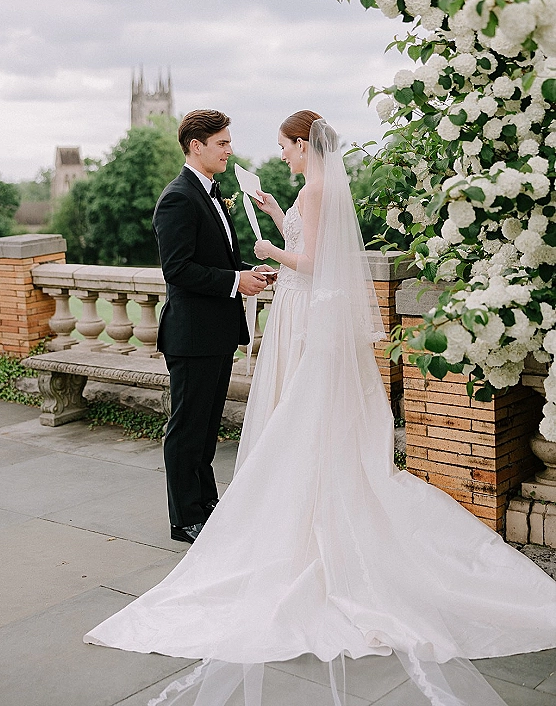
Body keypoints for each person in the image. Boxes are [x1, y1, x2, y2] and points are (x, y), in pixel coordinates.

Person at [85, 112, 556, 706]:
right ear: (197, 146)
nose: (271, 153)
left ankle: (233, 510)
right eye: (226, 142)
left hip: (298, 312)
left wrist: (264, 251)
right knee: (219, 425)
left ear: (303, 145)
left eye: (284, 146)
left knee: (279, 421)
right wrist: (265, 239)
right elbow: (226, 259)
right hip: (235, 325)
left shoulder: (313, 188)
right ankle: (195, 513)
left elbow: (308, 260)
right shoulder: (241, 194)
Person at [151, 109, 269, 544]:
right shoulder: (178, 197)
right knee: (186, 429)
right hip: (192, 334)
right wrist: (235, 281)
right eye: (222, 143)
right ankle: (184, 518)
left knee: (206, 427)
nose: (229, 149)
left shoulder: (213, 193)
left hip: (217, 331)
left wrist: (247, 272)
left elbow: (214, 260)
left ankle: (206, 502)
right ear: (196, 146)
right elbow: (178, 269)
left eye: (228, 141)